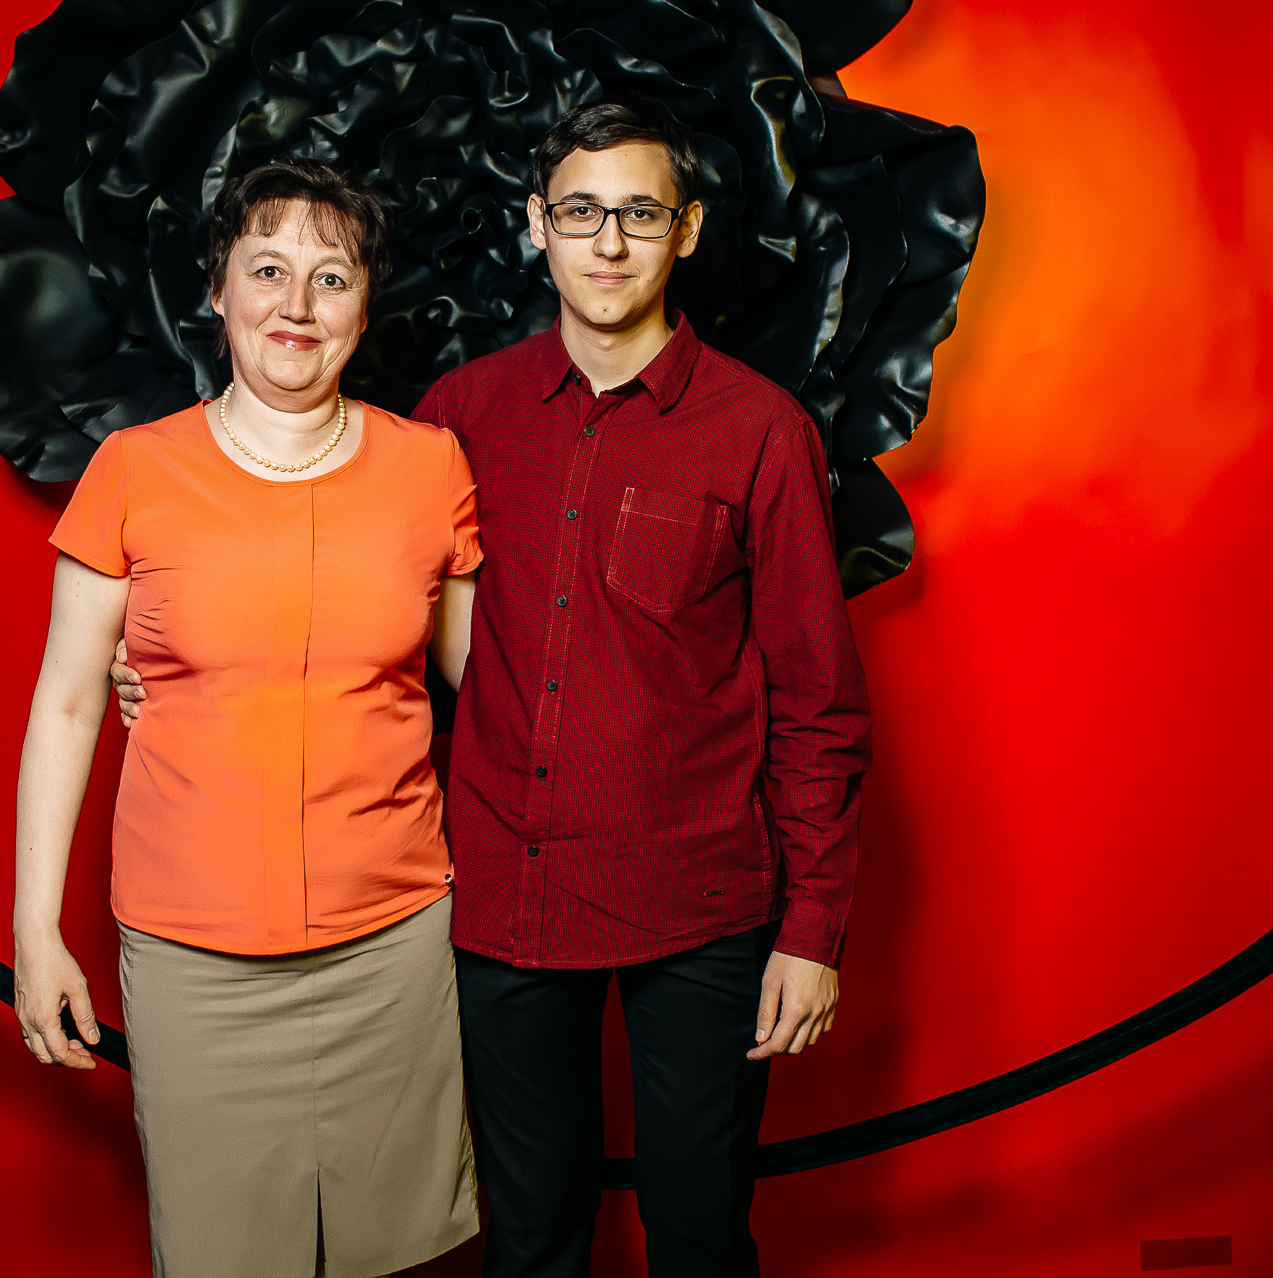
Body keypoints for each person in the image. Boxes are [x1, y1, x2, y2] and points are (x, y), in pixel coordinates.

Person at [117, 99, 869, 1277]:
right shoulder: (455, 423)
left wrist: (812, 930)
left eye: (639, 213)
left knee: (700, 1234)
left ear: (685, 231)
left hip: (704, 902)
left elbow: (819, 702)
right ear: (536, 225)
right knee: (529, 1244)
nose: (608, 242)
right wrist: (170, 666)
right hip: (511, 895)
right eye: (580, 212)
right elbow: (351, 600)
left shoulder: (760, 431)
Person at [15, 157, 483, 1278]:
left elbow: (496, 685)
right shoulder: (134, 469)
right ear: (218, 288)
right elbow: (68, 703)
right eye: (267, 269)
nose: (297, 304)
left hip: (395, 946)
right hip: (195, 959)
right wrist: (36, 930)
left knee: (408, 1259)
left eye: (332, 277)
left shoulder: (430, 468)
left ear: (364, 305)